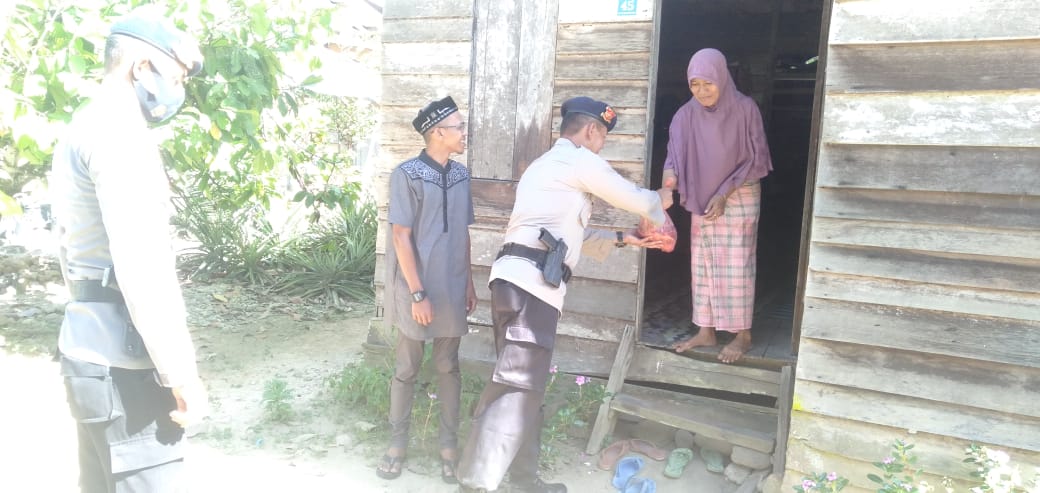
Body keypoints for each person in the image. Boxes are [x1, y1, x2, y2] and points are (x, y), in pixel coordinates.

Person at [456, 97, 674, 493]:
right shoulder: (577, 159)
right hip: (530, 289)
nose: (602, 145)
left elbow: (571, 237)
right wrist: (661, 201)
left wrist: (626, 239)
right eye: (603, 136)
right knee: (516, 387)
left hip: (519, 283)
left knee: (526, 389)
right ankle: (474, 485)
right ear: (591, 130)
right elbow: (636, 198)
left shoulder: (549, 167)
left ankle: (524, 481)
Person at [49, 7, 208, 492]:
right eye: (176, 76)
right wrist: (180, 373)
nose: (177, 90)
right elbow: (142, 267)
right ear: (142, 68)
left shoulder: (83, 124)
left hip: (87, 350)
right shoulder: (121, 133)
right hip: (128, 368)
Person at [377, 96, 478, 484]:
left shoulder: (461, 176)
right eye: (459, 127)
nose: (464, 133)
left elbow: (463, 235)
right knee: (407, 368)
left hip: (452, 289)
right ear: (438, 132)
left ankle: (448, 447)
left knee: (448, 368)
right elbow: (401, 237)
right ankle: (397, 444)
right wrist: (418, 294)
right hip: (416, 291)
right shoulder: (406, 175)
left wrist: (468, 283)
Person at [663, 48, 773, 364]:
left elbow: (756, 159)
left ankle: (742, 335)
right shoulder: (685, 115)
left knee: (736, 264)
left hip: (741, 192)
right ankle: (706, 330)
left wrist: (725, 193)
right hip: (704, 195)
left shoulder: (745, 109)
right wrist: (666, 186)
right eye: (694, 85)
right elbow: (673, 159)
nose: (702, 92)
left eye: (708, 83)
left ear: (722, 78)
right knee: (704, 263)